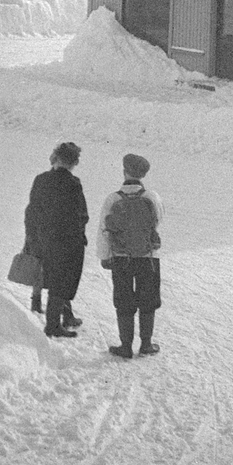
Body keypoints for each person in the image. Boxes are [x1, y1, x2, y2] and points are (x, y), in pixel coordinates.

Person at [98, 153, 164, 359]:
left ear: (124, 172)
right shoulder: (151, 197)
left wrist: (104, 255)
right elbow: (158, 221)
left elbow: (104, 229)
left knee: (124, 300)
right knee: (148, 299)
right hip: (148, 257)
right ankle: (146, 344)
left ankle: (125, 345)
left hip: (121, 257)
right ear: (143, 175)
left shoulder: (113, 198)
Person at [24, 141, 88, 338]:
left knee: (51, 275)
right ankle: (53, 325)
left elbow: (31, 211)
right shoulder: (73, 183)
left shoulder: (41, 179)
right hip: (67, 241)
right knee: (63, 281)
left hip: (44, 238)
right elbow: (82, 215)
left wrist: (32, 236)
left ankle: (65, 316)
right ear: (74, 162)